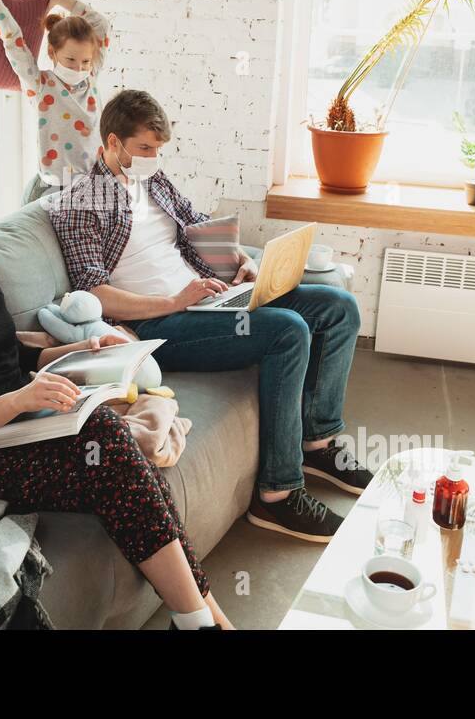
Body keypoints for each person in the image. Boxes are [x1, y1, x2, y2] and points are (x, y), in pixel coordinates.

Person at [0, 163, 231, 630]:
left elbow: (8, 360)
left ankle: (201, 617)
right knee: (113, 445)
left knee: (118, 455)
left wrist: (82, 350)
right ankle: (205, 619)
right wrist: (20, 401)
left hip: (23, 417)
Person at [45, 90, 374, 542]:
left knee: (339, 308)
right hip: (159, 324)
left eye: (158, 150)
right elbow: (94, 291)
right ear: (113, 142)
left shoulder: (153, 181)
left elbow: (197, 223)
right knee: (289, 331)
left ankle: (317, 443)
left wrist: (238, 261)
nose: (152, 159)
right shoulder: (82, 199)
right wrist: (174, 302)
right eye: (144, 149)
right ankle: (277, 495)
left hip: (204, 301)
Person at [0, 0, 109, 204]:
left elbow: (101, 24)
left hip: (95, 182)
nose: (78, 68)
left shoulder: (90, 77)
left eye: (85, 61)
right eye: (70, 59)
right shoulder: (40, 85)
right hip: (56, 185)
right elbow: (12, 39)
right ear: (52, 53)